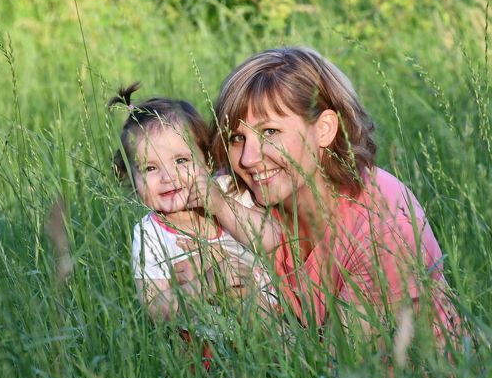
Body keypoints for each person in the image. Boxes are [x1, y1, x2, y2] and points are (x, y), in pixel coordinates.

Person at [184, 47, 460, 349]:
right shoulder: (240, 198)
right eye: (238, 137)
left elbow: (336, 367)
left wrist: (251, 305)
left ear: (325, 129)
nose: (248, 158)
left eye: (270, 132)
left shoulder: (384, 227)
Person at [109, 83, 276, 324]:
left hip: (272, 322)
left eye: (181, 160)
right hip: (206, 339)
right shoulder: (150, 235)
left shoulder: (227, 191)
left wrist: (221, 206)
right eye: (150, 168)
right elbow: (154, 309)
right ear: (131, 178)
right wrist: (207, 283)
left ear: (208, 161)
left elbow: (272, 240)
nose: (168, 177)